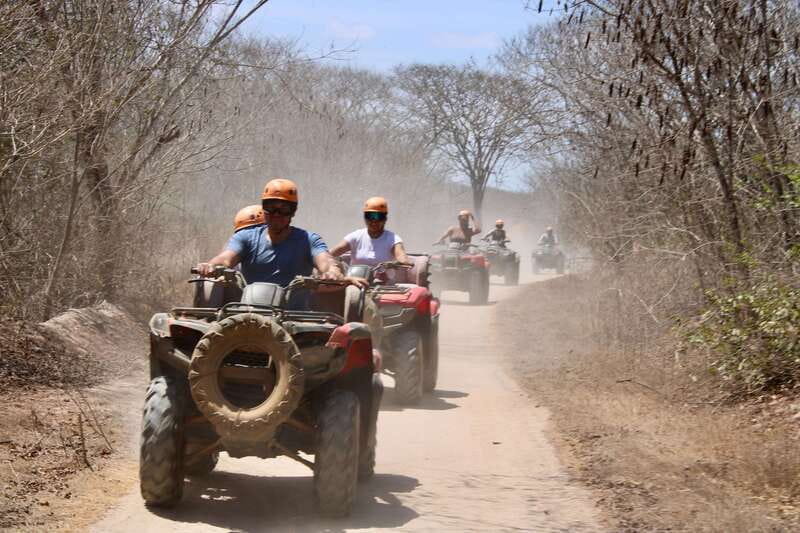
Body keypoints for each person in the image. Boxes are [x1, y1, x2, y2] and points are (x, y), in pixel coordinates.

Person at [197, 178, 366, 292]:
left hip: (296, 319)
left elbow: (327, 262)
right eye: (271, 207)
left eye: (284, 209)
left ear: (293, 211)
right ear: (264, 208)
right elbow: (226, 258)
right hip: (248, 312)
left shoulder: (309, 240)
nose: (277, 214)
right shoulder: (246, 237)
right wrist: (211, 265)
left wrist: (332, 272)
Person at [330, 196, 411, 267]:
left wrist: (395, 264)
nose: (374, 221)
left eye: (379, 216)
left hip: (384, 283)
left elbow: (403, 259)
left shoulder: (393, 239)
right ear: (364, 218)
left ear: (385, 219)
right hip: (357, 281)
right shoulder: (355, 236)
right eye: (369, 216)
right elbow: (329, 254)